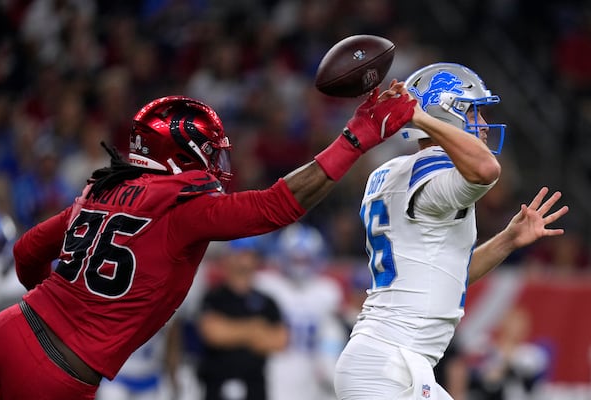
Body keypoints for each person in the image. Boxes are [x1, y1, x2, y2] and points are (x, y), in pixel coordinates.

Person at [0, 87, 416, 400]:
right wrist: (356, 136)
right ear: (182, 154)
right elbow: (278, 206)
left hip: (8, 329)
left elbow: (26, 251)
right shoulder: (182, 207)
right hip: (57, 373)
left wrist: (56, 305)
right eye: (209, 151)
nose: (216, 162)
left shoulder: (99, 189)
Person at [333, 62, 569, 400]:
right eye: (474, 111)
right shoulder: (436, 168)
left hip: (389, 360)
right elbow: (486, 169)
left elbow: (446, 274)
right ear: (443, 112)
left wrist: (508, 240)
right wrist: (419, 116)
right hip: (390, 363)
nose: (484, 125)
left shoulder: (388, 171)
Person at [255, 223, 347, 400]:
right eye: (295, 259)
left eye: (305, 260)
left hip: (314, 369)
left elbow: (333, 334)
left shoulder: (327, 290)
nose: (300, 266)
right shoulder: (266, 285)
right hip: (275, 368)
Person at [196, 237, 288, 400]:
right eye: (239, 254)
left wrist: (230, 330)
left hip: (255, 388)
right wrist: (255, 328)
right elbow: (213, 334)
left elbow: (279, 341)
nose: (243, 260)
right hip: (217, 387)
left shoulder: (267, 302)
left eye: (249, 255)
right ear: (227, 258)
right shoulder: (213, 297)